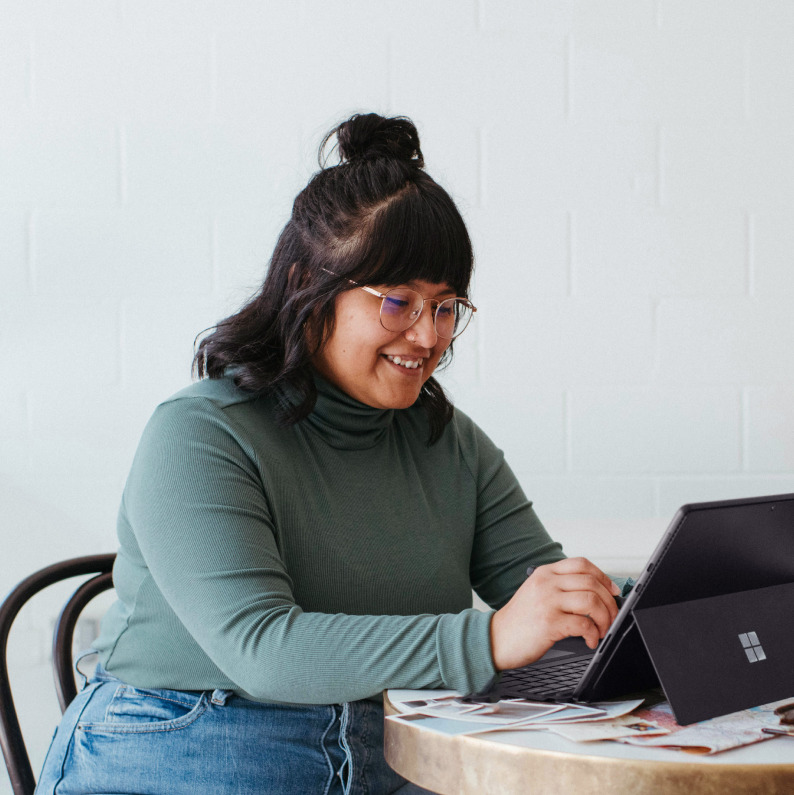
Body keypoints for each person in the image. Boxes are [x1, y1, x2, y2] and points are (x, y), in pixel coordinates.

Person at [36, 113, 625, 795]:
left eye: (446, 307)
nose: (428, 336)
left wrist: (648, 615)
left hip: (389, 753)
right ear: (305, 287)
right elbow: (264, 649)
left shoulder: (448, 442)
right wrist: (488, 639)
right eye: (399, 301)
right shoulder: (198, 435)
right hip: (188, 748)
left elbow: (548, 605)